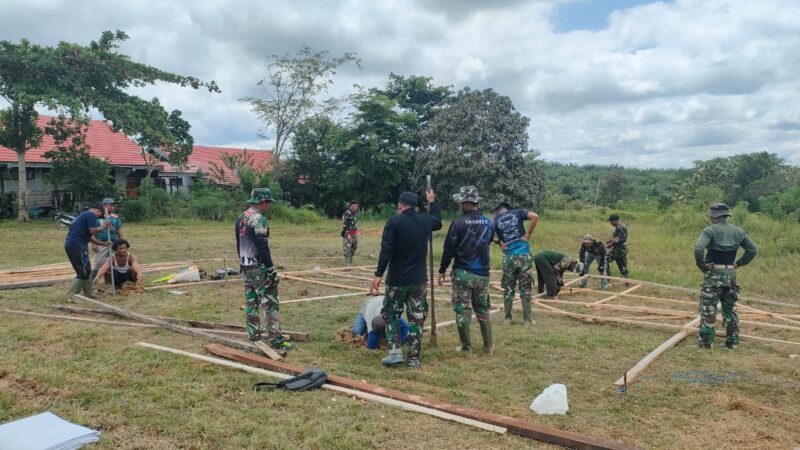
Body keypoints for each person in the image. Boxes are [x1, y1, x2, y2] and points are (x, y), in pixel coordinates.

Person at [370, 189, 441, 369]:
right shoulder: (425, 221)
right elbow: (438, 222)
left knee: (391, 315)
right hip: (419, 280)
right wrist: (432, 202)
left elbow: (386, 250)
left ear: (400, 206)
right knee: (416, 318)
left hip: (397, 280)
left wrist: (378, 274)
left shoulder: (394, 222)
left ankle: (395, 353)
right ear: (416, 207)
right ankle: (414, 358)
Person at [438, 186, 494, 355]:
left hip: (463, 272)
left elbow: (449, 249)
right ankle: (488, 346)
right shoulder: (489, 222)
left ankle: (466, 347)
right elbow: (488, 241)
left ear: (464, 203)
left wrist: (442, 270)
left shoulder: (458, 223)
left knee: (462, 310)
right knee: (483, 310)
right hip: (483, 274)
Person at [694, 203, 757, 349]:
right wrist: (740, 263)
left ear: (713, 216)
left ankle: (706, 342)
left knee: (708, 308)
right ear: (726, 215)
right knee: (730, 308)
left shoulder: (709, 231)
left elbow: (698, 249)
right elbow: (752, 250)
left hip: (713, 274)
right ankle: (732, 342)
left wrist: (702, 265)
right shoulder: (738, 231)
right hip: (730, 274)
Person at [236, 188, 293, 352]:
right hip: (259, 268)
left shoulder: (241, 218)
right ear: (261, 202)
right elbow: (263, 247)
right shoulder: (258, 220)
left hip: (246, 266)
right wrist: (270, 268)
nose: (269, 206)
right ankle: (276, 341)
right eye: (268, 202)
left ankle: (253, 335)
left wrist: (242, 263)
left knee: (251, 302)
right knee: (271, 304)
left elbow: (237, 243)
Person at [491, 201, 539, 326]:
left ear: (498, 209)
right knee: (526, 287)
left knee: (508, 288)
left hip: (508, 257)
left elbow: (488, 234)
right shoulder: (518, 212)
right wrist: (528, 234)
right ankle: (527, 320)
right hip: (523, 255)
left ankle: (508, 319)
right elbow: (535, 216)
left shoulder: (495, 220)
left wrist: (499, 242)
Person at [65, 203, 110, 298]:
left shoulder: (84, 216)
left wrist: (103, 243)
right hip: (77, 245)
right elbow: (93, 231)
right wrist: (103, 226)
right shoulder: (90, 214)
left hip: (75, 244)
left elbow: (90, 237)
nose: (98, 218)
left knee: (86, 270)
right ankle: (71, 295)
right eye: (99, 216)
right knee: (83, 271)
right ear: (97, 210)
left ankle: (88, 293)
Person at [90, 198, 125, 282]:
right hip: (101, 244)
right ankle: (91, 280)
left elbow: (119, 231)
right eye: (111, 205)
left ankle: (110, 280)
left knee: (114, 263)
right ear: (104, 206)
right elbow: (92, 232)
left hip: (114, 243)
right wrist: (94, 244)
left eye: (114, 205)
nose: (113, 207)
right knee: (98, 264)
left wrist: (122, 242)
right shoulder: (97, 217)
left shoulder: (115, 218)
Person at [605, 214, 630, 278]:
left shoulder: (621, 227)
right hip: (618, 249)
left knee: (606, 260)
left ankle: (607, 277)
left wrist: (611, 244)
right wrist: (610, 240)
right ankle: (608, 277)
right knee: (621, 264)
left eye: (611, 221)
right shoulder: (618, 226)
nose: (610, 223)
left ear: (614, 221)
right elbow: (617, 237)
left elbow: (622, 239)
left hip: (620, 249)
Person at [341, 200, 359, 266]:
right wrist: (348, 234)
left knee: (354, 246)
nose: (356, 207)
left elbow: (355, 224)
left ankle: (350, 262)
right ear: (351, 206)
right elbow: (344, 224)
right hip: (348, 233)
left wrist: (356, 233)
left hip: (354, 233)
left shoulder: (356, 213)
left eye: (356, 206)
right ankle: (348, 264)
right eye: (354, 206)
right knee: (347, 248)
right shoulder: (346, 213)